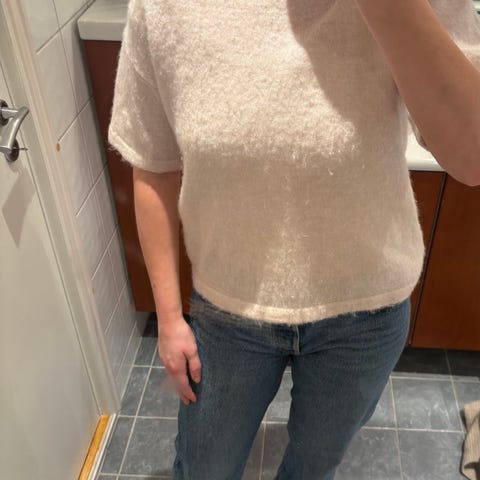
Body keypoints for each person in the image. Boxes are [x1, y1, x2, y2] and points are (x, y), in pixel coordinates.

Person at [108, 0, 480, 478]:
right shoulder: (162, 8)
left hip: (365, 309)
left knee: (312, 468)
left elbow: (471, 155)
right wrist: (168, 318)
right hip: (228, 307)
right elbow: (151, 160)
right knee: (204, 468)